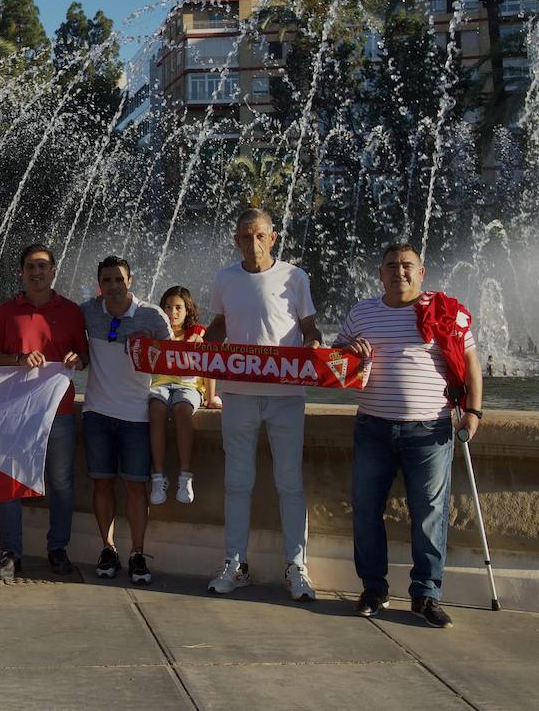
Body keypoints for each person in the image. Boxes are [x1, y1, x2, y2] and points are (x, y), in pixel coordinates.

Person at [335, 243, 483, 628]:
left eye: (407, 266)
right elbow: (334, 361)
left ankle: (426, 594)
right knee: (366, 509)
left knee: (430, 515)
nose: (399, 272)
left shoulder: (444, 312)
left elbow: (470, 364)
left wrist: (473, 411)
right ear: (379, 274)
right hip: (373, 426)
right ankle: (373, 588)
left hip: (430, 429)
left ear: (422, 272)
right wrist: (348, 350)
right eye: (391, 266)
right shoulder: (362, 312)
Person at [204, 208, 321, 601]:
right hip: (237, 393)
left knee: (289, 482)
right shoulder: (224, 277)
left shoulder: (294, 276)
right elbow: (220, 323)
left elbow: (309, 328)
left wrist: (315, 346)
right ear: (236, 240)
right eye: (244, 236)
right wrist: (209, 339)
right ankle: (234, 564)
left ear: (273, 238)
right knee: (237, 483)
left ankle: (296, 566)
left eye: (259, 236)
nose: (252, 243)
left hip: (287, 395)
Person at [0, 244, 87, 579]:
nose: (37, 272)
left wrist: (76, 360)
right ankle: (11, 552)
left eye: (43, 266)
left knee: (60, 481)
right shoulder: (6, 312)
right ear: (22, 272)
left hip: (59, 411)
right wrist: (18, 359)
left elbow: (84, 356)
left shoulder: (71, 311)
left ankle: (58, 549)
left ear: (53, 271)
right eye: (30, 266)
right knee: (9, 480)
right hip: (15, 411)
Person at [81, 256, 173, 585]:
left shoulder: (152, 316)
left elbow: (172, 361)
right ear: (99, 285)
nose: (114, 286)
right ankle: (108, 548)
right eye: (107, 281)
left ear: (130, 281)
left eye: (119, 280)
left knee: (136, 487)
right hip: (97, 413)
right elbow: (73, 348)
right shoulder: (89, 312)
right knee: (102, 483)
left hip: (136, 415)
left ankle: (136, 552)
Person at [147, 286, 219, 507]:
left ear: (187, 310)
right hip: (160, 385)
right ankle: (158, 477)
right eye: (168, 307)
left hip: (188, 385)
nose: (172, 312)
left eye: (178, 307)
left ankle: (185, 475)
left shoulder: (197, 333)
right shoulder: (157, 332)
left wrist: (211, 396)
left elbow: (208, 365)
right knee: (156, 410)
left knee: (182, 410)